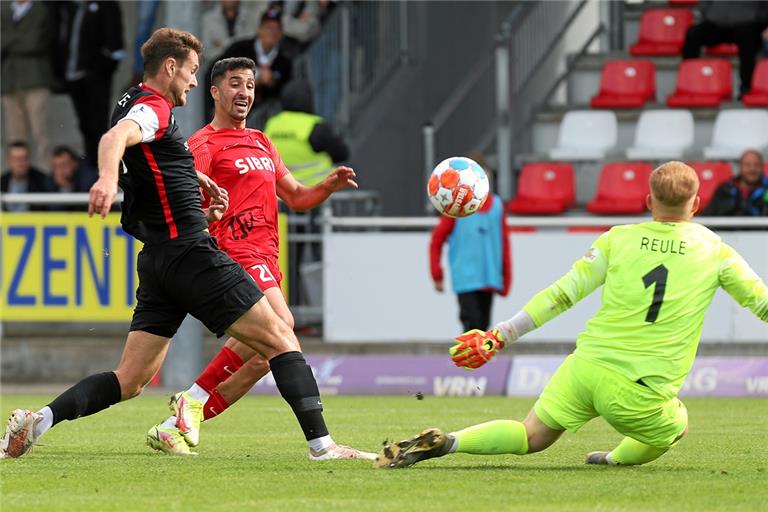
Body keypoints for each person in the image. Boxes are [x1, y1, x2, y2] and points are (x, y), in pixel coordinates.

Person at [0, 28, 373, 462]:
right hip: (189, 253)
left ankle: (38, 420)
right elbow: (114, 140)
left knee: (132, 379)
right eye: (193, 72)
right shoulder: (153, 109)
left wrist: (196, 192)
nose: (193, 83)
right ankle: (321, 447)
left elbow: (151, 164)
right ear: (171, 68)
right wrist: (104, 179)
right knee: (281, 337)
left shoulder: (135, 103)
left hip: (158, 260)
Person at [375, 161, 768, 469]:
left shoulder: (617, 239)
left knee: (530, 436)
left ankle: (452, 442)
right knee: (677, 427)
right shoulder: (715, 251)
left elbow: (562, 295)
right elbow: (762, 304)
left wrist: (499, 336)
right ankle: (613, 458)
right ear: (696, 204)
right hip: (639, 391)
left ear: (648, 202)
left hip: (585, 368)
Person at [146, 56, 365, 458]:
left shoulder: (262, 141)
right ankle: (321, 444)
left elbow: (297, 197)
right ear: (214, 92)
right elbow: (185, 201)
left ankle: (176, 422)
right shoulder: (204, 144)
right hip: (234, 250)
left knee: (265, 357)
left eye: (249, 84)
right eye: (234, 84)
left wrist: (327, 186)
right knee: (284, 325)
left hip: (267, 254)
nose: (244, 92)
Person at [429, 162, 511, 331]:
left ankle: (475, 358)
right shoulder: (455, 207)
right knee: (472, 325)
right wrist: (437, 273)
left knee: (483, 328)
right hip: (465, 279)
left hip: (489, 277)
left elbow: (504, 243)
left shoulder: (497, 206)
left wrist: (506, 276)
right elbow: (436, 240)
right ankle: (466, 357)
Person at [50, 1, 126, 167]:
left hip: (96, 77)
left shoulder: (107, 4)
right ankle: (92, 166)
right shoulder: (68, 6)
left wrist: (100, 70)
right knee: (84, 125)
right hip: (73, 77)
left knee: (98, 124)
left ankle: (102, 168)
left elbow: (115, 43)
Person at [211, 7, 293, 128]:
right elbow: (215, 71)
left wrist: (273, 82)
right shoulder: (239, 49)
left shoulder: (285, 62)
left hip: (265, 118)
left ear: (281, 34)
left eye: (277, 29)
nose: (272, 32)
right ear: (259, 30)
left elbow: (285, 94)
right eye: (268, 27)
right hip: (232, 109)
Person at [1, 0, 54, 168]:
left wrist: (9, 38)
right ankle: (16, 174)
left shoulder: (41, 10)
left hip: (35, 77)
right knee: (15, 135)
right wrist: (20, 37)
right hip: (10, 79)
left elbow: (34, 42)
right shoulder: (5, 9)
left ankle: (44, 173)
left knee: (40, 132)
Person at [682, 1, 768, 98]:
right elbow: (704, 5)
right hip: (716, 24)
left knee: (748, 40)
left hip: (747, 25)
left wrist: (759, 21)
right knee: (693, 33)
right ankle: (689, 81)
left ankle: (746, 87)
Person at [703, 149, 768, 217]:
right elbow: (709, 216)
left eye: (756, 165)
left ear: (762, 167)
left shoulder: (767, 189)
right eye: (747, 165)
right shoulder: (725, 189)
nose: (752, 169)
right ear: (740, 166)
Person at [1, 140, 50, 212]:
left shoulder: (42, 181)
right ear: (9, 161)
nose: (20, 163)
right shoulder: (2, 181)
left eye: (24, 158)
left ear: (29, 159)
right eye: (16, 159)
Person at [48, 145, 98, 211]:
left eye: (64, 165)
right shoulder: (49, 181)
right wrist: (64, 188)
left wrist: (67, 187)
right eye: (56, 166)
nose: (60, 170)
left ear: (75, 163)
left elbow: (84, 208)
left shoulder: (87, 178)